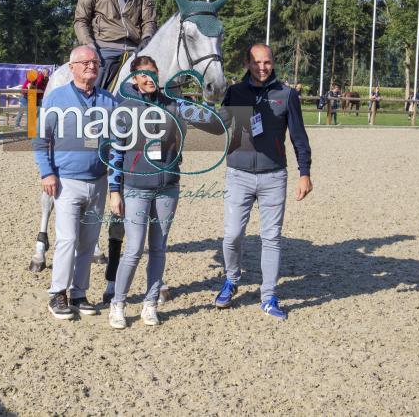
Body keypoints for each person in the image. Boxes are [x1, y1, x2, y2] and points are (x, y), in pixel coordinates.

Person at [106, 56, 215, 329]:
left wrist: (211, 96)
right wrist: (114, 191)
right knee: (133, 249)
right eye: (142, 74)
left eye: (152, 73)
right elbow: (115, 152)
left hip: (168, 187)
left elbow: (210, 121)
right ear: (134, 79)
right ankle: (118, 303)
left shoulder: (174, 105)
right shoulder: (125, 109)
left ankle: (150, 303)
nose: (148, 78)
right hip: (136, 187)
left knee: (159, 248)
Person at [210, 44, 313, 320]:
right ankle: (232, 279)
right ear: (247, 63)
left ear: (273, 63)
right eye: (256, 62)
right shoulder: (235, 92)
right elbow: (220, 127)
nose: (262, 67)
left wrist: (305, 173)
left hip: (273, 177)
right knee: (232, 235)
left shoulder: (287, 95)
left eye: (267, 62)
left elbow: (299, 138)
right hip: (238, 175)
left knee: (272, 238)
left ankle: (268, 296)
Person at [34, 45, 120, 320]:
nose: (92, 66)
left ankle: (79, 292)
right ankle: (57, 293)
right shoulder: (56, 99)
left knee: (88, 241)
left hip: (98, 181)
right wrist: (47, 172)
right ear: (71, 68)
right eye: (85, 62)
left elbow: (119, 143)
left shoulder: (108, 101)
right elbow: (40, 140)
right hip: (66, 180)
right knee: (67, 238)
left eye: (95, 62)